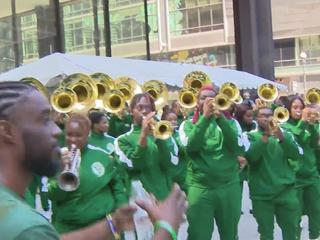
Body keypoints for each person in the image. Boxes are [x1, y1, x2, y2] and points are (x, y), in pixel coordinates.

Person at [0, 81, 187, 240]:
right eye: (43, 120)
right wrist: (166, 228)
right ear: (6, 131)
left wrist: (113, 224)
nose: (57, 131)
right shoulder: (26, 228)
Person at [179, 85, 243, 240]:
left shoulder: (232, 123)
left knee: (230, 235)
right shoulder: (187, 125)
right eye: (203, 98)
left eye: (212, 97)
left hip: (228, 187)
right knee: (198, 235)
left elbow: (237, 147)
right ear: (197, 102)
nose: (208, 101)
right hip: (201, 189)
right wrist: (205, 119)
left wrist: (220, 118)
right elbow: (191, 147)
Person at [48, 113, 128, 233]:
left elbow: (118, 187)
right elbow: (53, 195)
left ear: (88, 135)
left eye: (78, 135)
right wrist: (62, 171)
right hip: (67, 229)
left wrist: (120, 210)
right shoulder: (58, 158)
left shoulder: (103, 157)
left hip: (100, 226)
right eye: (69, 135)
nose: (73, 140)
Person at [246, 106, 303, 240]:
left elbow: (295, 155)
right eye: (263, 116)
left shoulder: (286, 135)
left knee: (291, 231)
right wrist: (266, 135)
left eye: (270, 115)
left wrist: (282, 138)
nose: (267, 118)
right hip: (262, 194)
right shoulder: (250, 136)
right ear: (256, 118)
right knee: (266, 233)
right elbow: (252, 158)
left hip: (286, 192)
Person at [114, 93, 173, 200]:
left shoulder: (162, 133)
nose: (145, 111)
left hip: (165, 195)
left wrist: (159, 138)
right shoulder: (122, 140)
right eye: (140, 107)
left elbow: (168, 163)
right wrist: (143, 135)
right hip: (141, 200)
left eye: (148, 108)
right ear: (131, 111)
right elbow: (135, 165)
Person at [282, 96, 320, 240]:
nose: (298, 110)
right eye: (295, 107)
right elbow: (293, 140)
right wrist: (303, 122)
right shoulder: (285, 126)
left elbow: (315, 144)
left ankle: (315, 236)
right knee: (294, 215)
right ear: (289, 109)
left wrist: (311, 125)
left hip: (312, 175)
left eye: (300, 107)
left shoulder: (311, 124)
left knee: (316, 212)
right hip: (294, 178)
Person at [161, 110, 189, 193]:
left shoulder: (180, 134)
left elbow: (185, 150)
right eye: (170, 120)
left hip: (184, 175)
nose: (173, 122)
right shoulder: (161, 137)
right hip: (169, 177)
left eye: (175, 119)